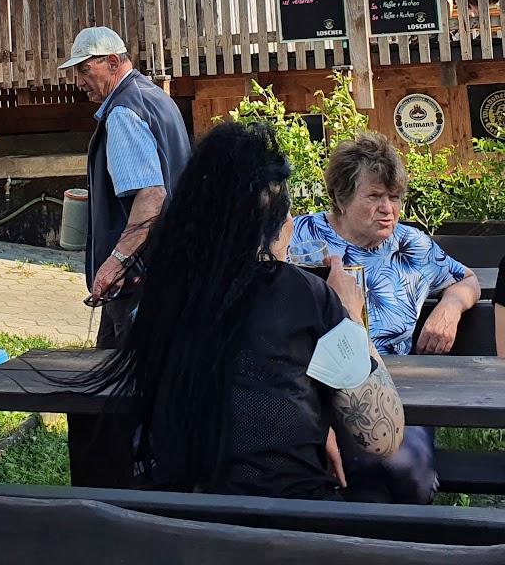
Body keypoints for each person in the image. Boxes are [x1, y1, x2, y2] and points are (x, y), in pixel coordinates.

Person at [85, 122, 403, 498]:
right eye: (286, 211)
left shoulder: (161, 295)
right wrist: (350, 316)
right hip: (287, 520)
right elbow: (381, 438)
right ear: (273, 222)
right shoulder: (302, 295)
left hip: (178, 518)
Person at [291, 133, 480, 504]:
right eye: (374, 196)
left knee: (399, 470)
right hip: (310, 390)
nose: (388, 209)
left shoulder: (412, 245)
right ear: (340, 198)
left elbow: (467, 279)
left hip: (390, 394)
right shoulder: (300, 238)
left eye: (394, 196)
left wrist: (451, 305)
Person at [58, 26, 191, 346]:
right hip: (169, 268)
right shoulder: (156, 97)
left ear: (113, 62)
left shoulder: (123, 113)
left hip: (139, 278)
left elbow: (152, 195)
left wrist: (115, 262)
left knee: (129, 372)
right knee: (107, 363)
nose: (79, 82)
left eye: (84, 70)